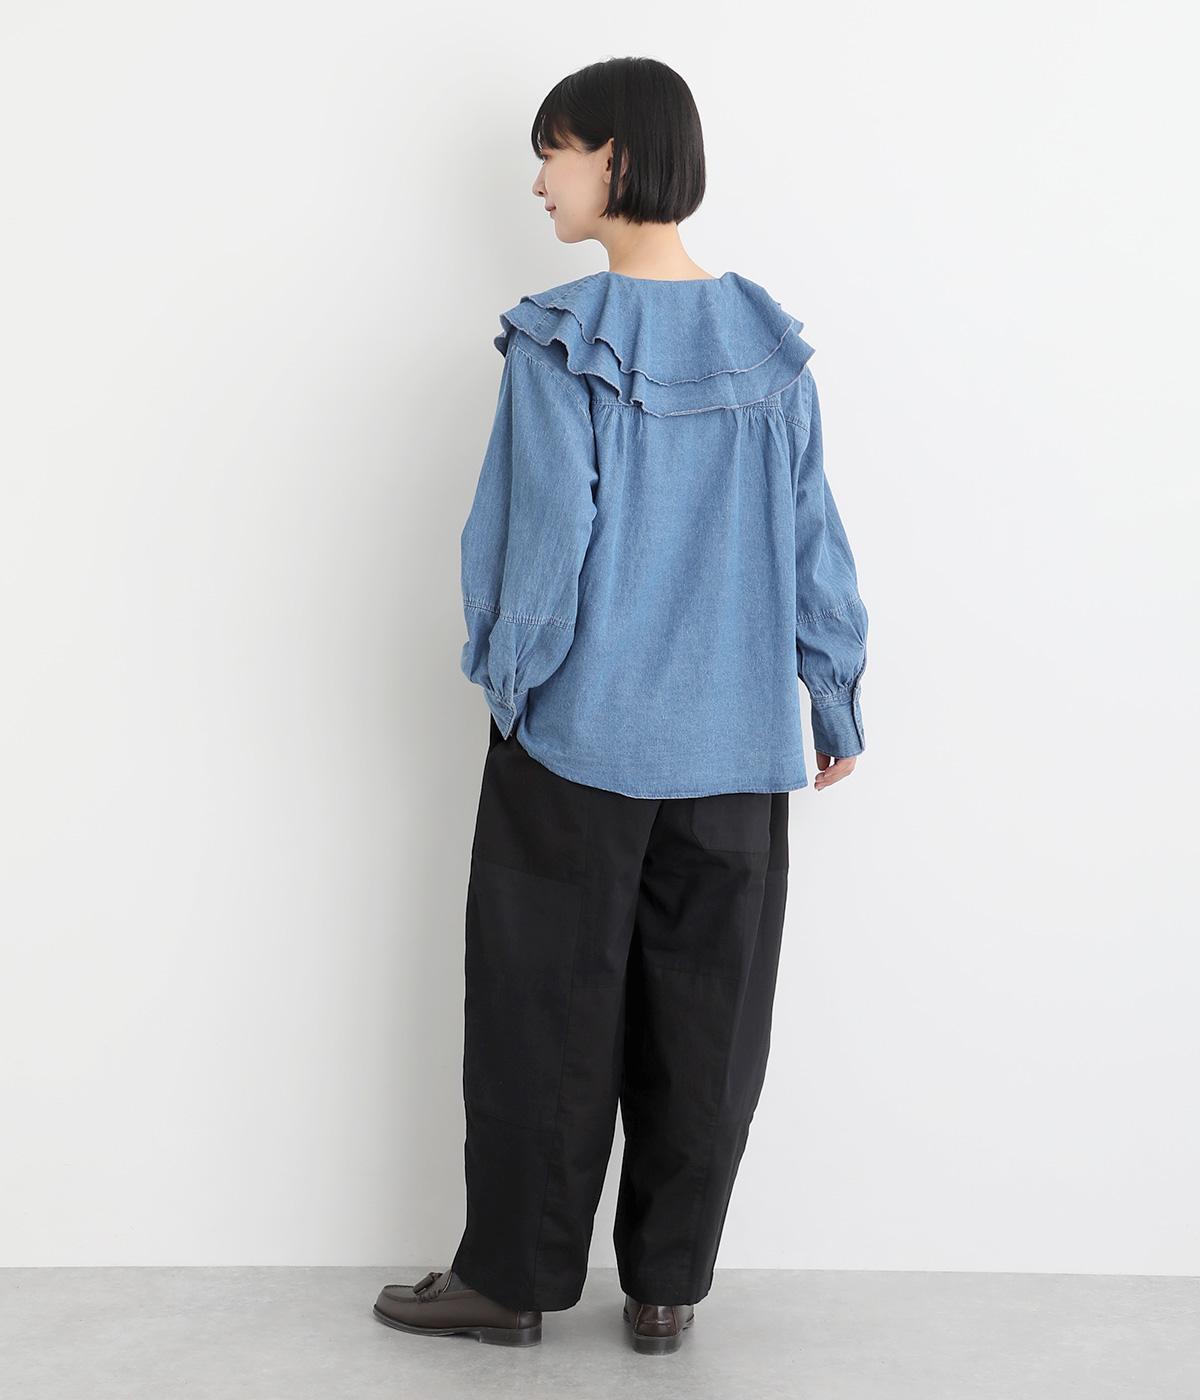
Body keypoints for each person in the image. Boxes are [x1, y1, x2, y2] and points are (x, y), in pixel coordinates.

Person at [374, 54, 869, 1355]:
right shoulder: (770, 345)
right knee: (706, 1025)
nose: (540, 180)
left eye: (557, 150)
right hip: (736, 753)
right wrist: (830, 691)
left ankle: (513, 1285)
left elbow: (546, 539)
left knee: (543, 1014)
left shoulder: (560, 340)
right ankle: (663, 1290)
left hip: (580, 742)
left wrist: (511, 680)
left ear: (619, 158)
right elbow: (814, 537)